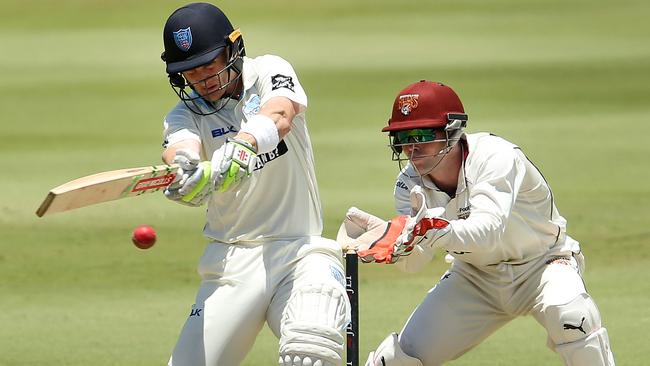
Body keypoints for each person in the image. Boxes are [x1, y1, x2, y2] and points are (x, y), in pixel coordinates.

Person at [338, 81, 615, 365]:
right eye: (401, 138)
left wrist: (429, 229)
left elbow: (487, 233)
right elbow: (416, 263)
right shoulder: (408, 183)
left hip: (542, 266)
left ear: (452, 132)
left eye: (420, 135)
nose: (410, 149)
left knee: (573, 318)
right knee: (397, 359)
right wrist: (397, 244)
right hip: (475, 277)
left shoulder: (496, 157)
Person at [159, 3, 350, 365]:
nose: (203, 80)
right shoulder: (183, 115)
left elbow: (280, 115)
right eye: (191, 73)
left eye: (209, 65)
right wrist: (188, 173)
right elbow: (181, 148)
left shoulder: (268, 70)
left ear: (233, 50)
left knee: (310, 349)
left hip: (299, 250)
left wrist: (241, 149)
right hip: (231, 262)